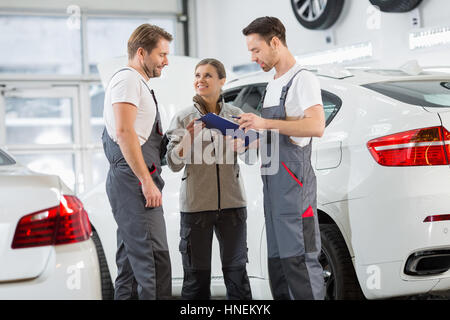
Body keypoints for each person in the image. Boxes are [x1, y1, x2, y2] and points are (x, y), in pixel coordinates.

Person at [238, 17, 326, 300]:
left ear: (275, 42)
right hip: (274, 192)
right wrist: (246, 140)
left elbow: (315, 126)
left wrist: (265, 124)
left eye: (256, 50)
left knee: (300, 263)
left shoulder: (303, 79)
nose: (253, 58)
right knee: (279, 267)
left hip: (295, 189)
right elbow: (274, 135)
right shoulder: (273, 83)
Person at [166, 58, 253, 300]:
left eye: (207, 75)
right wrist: (187, 139)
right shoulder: (183, 118)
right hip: (196, 208)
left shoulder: (236, 116)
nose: (200, 80)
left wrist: (245, 146)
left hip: (233, 206)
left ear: (222, 81)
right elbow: (173, 163)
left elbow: (254, 156)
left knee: (237, 276)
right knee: (196, 280)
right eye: (197, 75)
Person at [102, 23, 173, 300]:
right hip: (134, 181)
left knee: (132, 266)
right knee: (153, 263)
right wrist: (146, 181)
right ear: (141, 53)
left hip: (132, 178)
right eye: (162, 55)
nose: (166, 62)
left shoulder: (137, 83)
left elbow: (142, 135)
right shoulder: (128, 80)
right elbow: (124, 131)